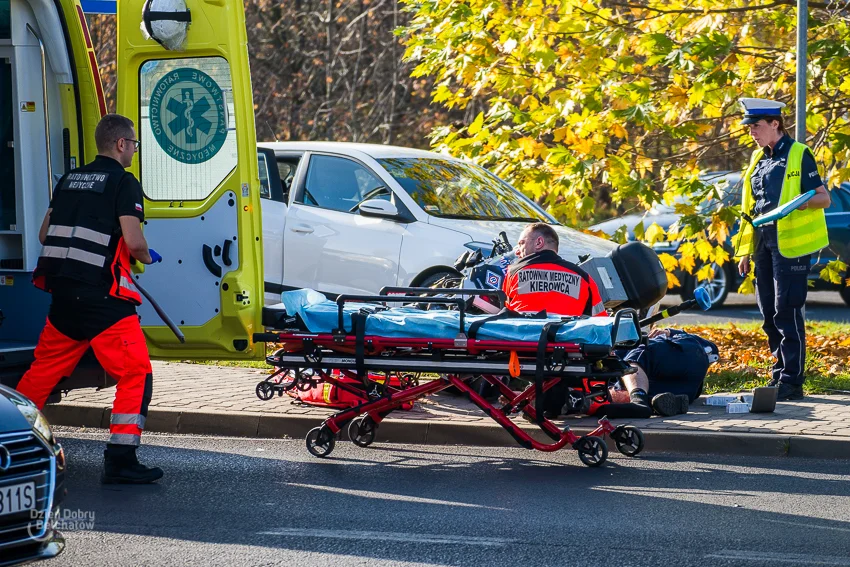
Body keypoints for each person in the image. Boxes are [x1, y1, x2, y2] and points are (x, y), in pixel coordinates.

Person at [15, 114, 164, 484]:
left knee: (41, 374)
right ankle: (120, 459)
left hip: (64, 296)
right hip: (102, 301)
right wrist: (146, 256)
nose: (133, 150)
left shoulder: (69, 180)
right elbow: (133, 241)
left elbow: (44, 234)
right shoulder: (124, 183)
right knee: (136, 373)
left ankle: (12, 440)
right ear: (120, 144)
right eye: (133, 144)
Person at [733, 98, 831, 401]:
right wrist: (745, 252)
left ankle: (792, 380)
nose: (752, 132)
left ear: (775, 123)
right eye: (749, 127)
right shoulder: (757, 158)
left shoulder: (800, 154)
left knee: (785, 311)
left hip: (790, 244)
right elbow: (750, 207)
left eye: (756, 126)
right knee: (767, 314)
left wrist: (796, 204)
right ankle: (778, 373)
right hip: (762, 242)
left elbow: (823, 198)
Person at [503, 222, 606, 317]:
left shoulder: (514, 272)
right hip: (567, 337)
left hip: (524, 336)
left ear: (539, 242)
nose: (517, 252)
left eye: (521, 243)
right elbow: (601, 323)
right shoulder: (584, 278)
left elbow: (505, 316)